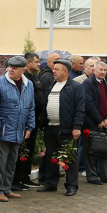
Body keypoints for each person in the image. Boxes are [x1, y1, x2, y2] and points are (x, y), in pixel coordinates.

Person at [0, 56, 35, 202]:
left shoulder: (29, 85)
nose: (11, 70)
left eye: (15, 68)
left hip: (18, 130)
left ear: (23, 70)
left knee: (11, 162)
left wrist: (30, 127)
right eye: (10, 67)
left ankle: (7, 189)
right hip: (3, 130)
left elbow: (31, 107)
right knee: (0, 163)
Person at [38, 60, 85, 196]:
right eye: (53, 69)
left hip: (67, 129)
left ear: (65, 71)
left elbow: (80, 109)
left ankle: (71, 186)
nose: (53, 71)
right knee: (51, 157)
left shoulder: (75, 87)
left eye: (56, 69)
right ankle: (51, 184)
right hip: (50, 127)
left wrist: (77, 127)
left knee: (69, 158)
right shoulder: (53, 85)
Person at [82, 61, 107, 185]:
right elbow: (88, 104)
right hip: (91, 123)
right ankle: (92, 176)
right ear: (94, 70)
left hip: (103, 123)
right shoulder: (88, 83)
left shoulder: (105, 83)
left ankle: (106, 175)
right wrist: (99, 120)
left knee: (105, 149)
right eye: (100, 70)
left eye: (104, 70)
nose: (103, 72)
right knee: (90, 151)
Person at [12, 52, 44, 191]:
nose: (39, 64)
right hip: (24, 120)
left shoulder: (35, 77)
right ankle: (17, 178)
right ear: (28, 63)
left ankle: (25, 176)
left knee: (29, 148)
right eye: (36, 61)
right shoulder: (23, 78)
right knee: (22, 150)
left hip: (34, 118)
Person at [73, 57, 98, 175]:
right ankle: (82, 167)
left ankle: (94, 166)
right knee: (83, 143)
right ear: (85, 67)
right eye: (91, 66)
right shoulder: (78, 80)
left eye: (95, 66)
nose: (93, 68)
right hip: (83, 116)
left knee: (95, 142)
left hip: (96, 117)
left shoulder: (100, 81)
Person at [37, 52, 59, 183]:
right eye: (56, 60)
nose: (59, 61)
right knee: (46, 150)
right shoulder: (47, 77)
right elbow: (45, 98)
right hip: (47, 120)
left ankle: (48, 174)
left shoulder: (51, 76)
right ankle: (44, 175)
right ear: (50, 63)